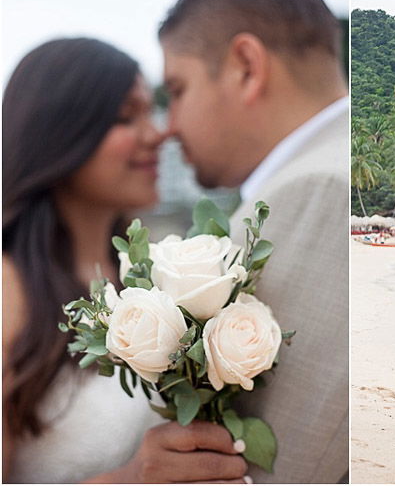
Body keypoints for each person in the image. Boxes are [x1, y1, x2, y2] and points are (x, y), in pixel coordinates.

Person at [2, 38, 249, 483]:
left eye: (149, 111)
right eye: (124, 116)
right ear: (58, 133)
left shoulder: (151, 275)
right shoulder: (8, 288)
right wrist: (130, 480)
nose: (157, 133)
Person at [158, 0, 348, 483]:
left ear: (245, 66)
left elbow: (288, 463)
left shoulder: (316, 191)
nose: (169, 127)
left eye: (177, 89)